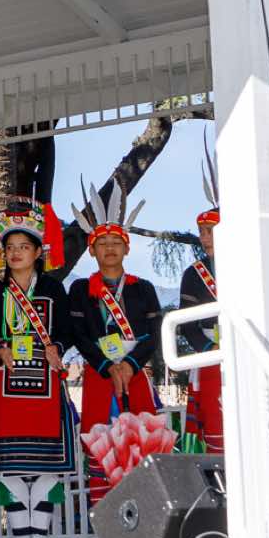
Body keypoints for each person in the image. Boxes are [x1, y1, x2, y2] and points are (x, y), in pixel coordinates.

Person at [0, 200, 71, 538]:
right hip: (8, 384)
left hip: (45, 385)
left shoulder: (53, 290)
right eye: (10, 247)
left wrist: (57, 346)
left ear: (37, 252)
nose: (16, 253)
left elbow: (66, 330)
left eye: (24, 247)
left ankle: (40, 534)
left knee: (44, 462)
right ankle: (20, 535)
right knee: (13, 462)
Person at [64, 184, 163, 507]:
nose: (110, 249)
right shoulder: (80, 290)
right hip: (98, 375)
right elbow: (79, 334)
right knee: (101, 447)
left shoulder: (143, 288)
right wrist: (108, 366)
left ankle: (143, 517)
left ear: (127, 248)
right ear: (92, 250)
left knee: (141, 446)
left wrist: (130, 365)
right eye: (102, 243)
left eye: (116, 243)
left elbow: (154, 333)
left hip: (136, 375)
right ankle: (104, 520)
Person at [176, 208, 224, 455]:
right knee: (214, 419)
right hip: (209, 356)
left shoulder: (250, 266)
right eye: (201, 232)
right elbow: (187, 324)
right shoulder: (194, 274)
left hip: (244, 350)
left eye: (210, 231)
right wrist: (209, 349)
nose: (204, 238)